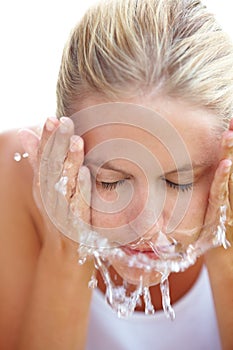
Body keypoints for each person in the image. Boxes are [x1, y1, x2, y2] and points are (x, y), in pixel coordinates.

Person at [1, 0, 233, 349]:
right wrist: (68, 248)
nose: (145, 226)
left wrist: (224, 245)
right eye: (112, 181)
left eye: (179, 182)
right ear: (66, 151)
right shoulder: (11, 178)